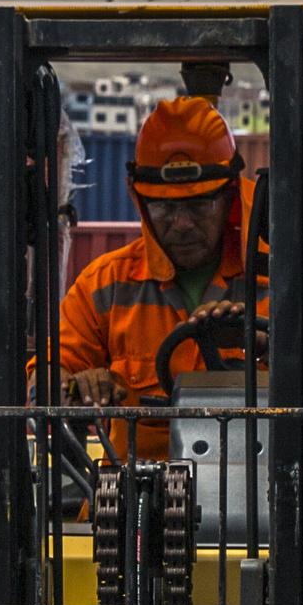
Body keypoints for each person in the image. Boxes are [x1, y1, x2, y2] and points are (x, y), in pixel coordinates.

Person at [57, 92, 253, 435]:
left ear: (231, 196)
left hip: (252, 482)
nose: (182, 223)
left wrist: (270, 348)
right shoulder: (104, 286)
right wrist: (76, 387)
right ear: (140, 199)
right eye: (163, 206)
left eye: (199, 204)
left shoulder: (277, 282)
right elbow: (45, 378)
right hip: (130, 484)